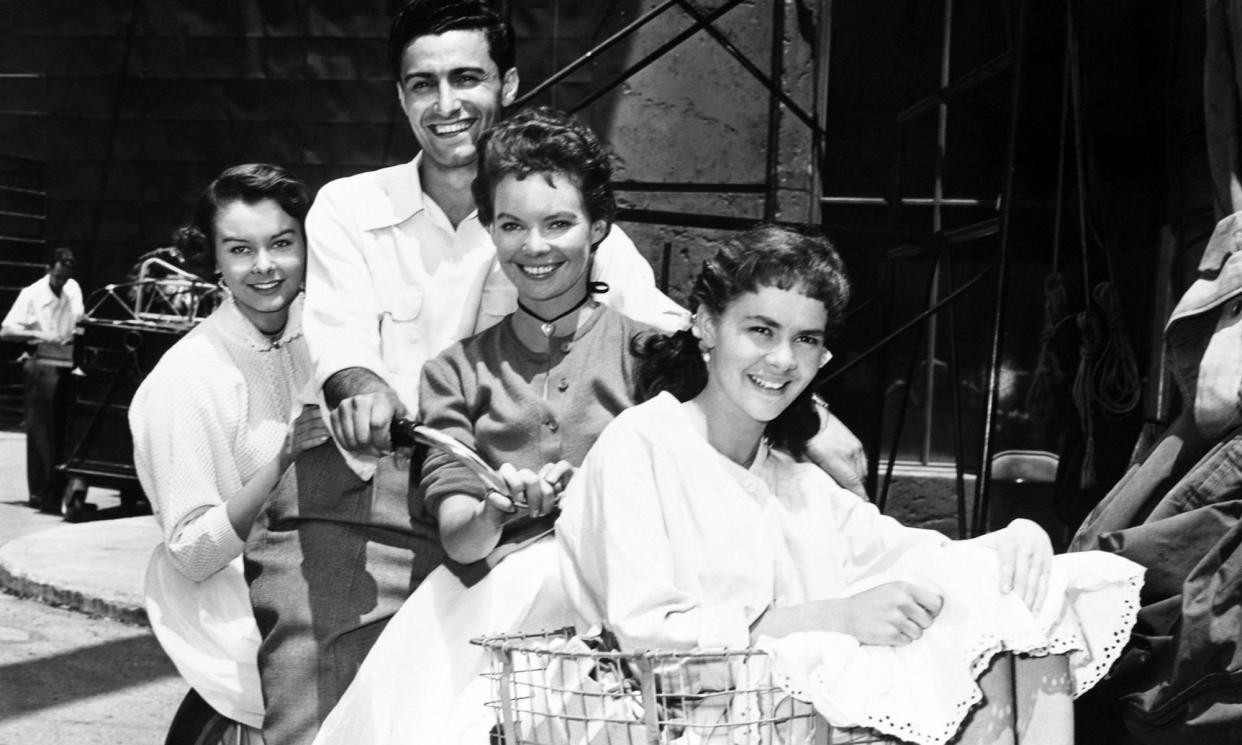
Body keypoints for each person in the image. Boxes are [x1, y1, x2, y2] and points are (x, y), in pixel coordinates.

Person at [245, 2, 864, 742]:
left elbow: (676, 331)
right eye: (422, 84)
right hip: (365, 486)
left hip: (519, 512)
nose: (446, 105)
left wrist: (808, 414)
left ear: (507, 82)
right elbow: (342, 348)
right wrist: (365, 390)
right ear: (400, 95)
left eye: (467, 78)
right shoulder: (351, 205)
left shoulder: (555, 210)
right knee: (323, 714)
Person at [557, 226, 1146, 745]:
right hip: (681, 724)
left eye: (806, 340)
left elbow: (907, 553)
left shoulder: (793, 477)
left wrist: (1016, 540)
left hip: (788, 713)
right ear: (707, 327)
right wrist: (836, 616)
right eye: (761, 330)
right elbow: (649, 639)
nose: (783, 359)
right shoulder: (643, 443)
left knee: (1014, 596)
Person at [309, 105, 655, 745]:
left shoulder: (651, 358)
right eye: (512, 225)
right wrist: (495, 509)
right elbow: (463, 541)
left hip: (630, 607)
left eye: (559, 223)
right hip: (493, 608)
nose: (535, 246)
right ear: (491, 234)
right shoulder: (454, 373)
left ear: (599, 227)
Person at [129, 164, 329, 733]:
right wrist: (281, 463)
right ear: (214, 258)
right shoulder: (185, 378)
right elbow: (191, 552)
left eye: (282, 243)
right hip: (241, 636)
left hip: (328, 603)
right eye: (241, 249)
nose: (264, 267)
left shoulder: (333, 336)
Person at [1, 246, 83, 511]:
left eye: (65, 278)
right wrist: (42, 336)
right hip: (41, 363)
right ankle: (41, 492)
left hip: (66, 362)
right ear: (49, 270)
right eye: (57, 277)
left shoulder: (73, 290)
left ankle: (58, 489)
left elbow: (79, 319)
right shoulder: (32, 293)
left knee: (64, 429)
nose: (60, 282)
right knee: (41, 431)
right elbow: (6, 330)